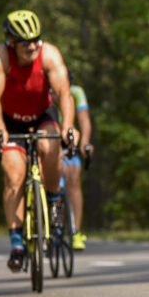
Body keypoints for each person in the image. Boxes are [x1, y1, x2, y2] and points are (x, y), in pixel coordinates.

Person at [0, 9, 78, 272]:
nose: (33, 45)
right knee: (13, 176)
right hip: (10, 120)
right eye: (26, 42)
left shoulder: (49, 54)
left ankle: (53, 198)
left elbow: (64, 94)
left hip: (42, 115)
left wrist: (68, 126)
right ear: (11, 42)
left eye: (37, 39)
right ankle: (17, 243)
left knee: (50, 146)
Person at [64, 71, 94, 250]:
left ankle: (75, 230)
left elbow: (84, 121)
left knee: (74, 179)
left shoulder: (76, 92)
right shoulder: (46, 91)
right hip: (49, 138)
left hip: (69, 140)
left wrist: (85, 143)